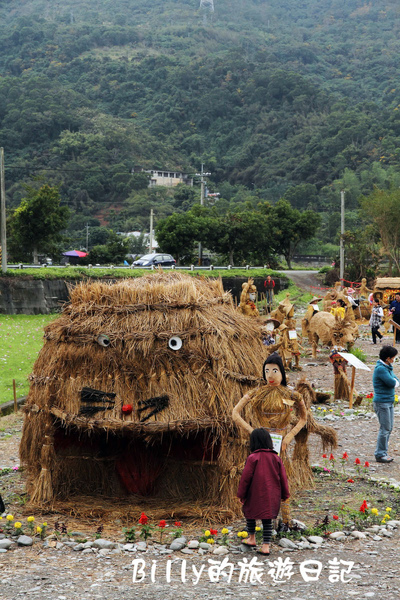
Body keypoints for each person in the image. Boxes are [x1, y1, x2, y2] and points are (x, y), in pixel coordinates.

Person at [237, 428, 290, 556]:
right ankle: (266, 546)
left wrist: (241, 494)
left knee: (249, 514)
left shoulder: (253, 457)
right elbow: (283, 477)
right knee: (268, 519)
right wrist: (285, 494)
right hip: (272, 493)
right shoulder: (275, 458)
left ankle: (252, 538)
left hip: (254, 493)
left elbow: (246, 478)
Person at [373, 345, 399, 463]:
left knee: (389, 428)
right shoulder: (381, 369)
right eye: (393, 357)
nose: (394, 359)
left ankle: (383, 452)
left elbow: (396, 380)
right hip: (382, 402)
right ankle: (380, 454)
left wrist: (395, 382)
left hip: (388, 401)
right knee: (385, 428)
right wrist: (395, 382)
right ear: (388, 358)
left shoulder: (387, 367)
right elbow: (391, 382)